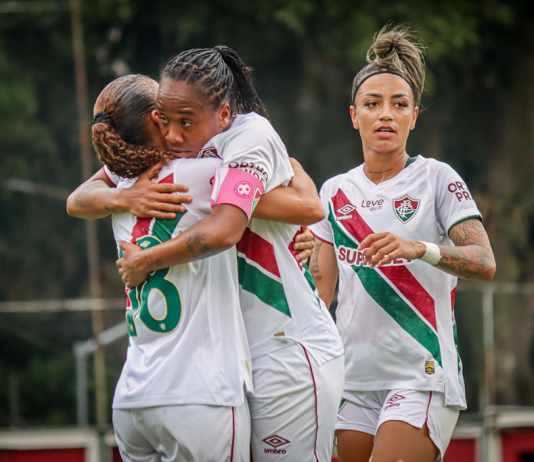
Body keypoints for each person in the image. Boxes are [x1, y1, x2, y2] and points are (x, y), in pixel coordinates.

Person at [115, 46, 345, 461]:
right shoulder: (182, 150)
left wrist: (146, 260)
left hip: (285, 349)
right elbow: (83, 196)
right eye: (165, 121)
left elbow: (226, 228)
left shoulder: (249, 136)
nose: (172, 135)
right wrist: (126, 195)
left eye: (186, 122)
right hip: (231, 362)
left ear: (223, 114)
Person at [309, 25, 496, 462]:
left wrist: (420, 249)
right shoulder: (334, 191)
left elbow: (484, 261)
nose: (386, 114)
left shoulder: (436, 178)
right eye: (372, 105)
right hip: (353, 380)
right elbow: (321, 292)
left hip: (421, 376)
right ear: (354, 115)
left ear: (415, 115)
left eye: (399, 105)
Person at [82, 74, 252, 462]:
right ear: (160, 120)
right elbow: (294, 202)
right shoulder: (206, 174)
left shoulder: (121, 190)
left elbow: (76, 201)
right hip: (199, 394)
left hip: (134, 397)